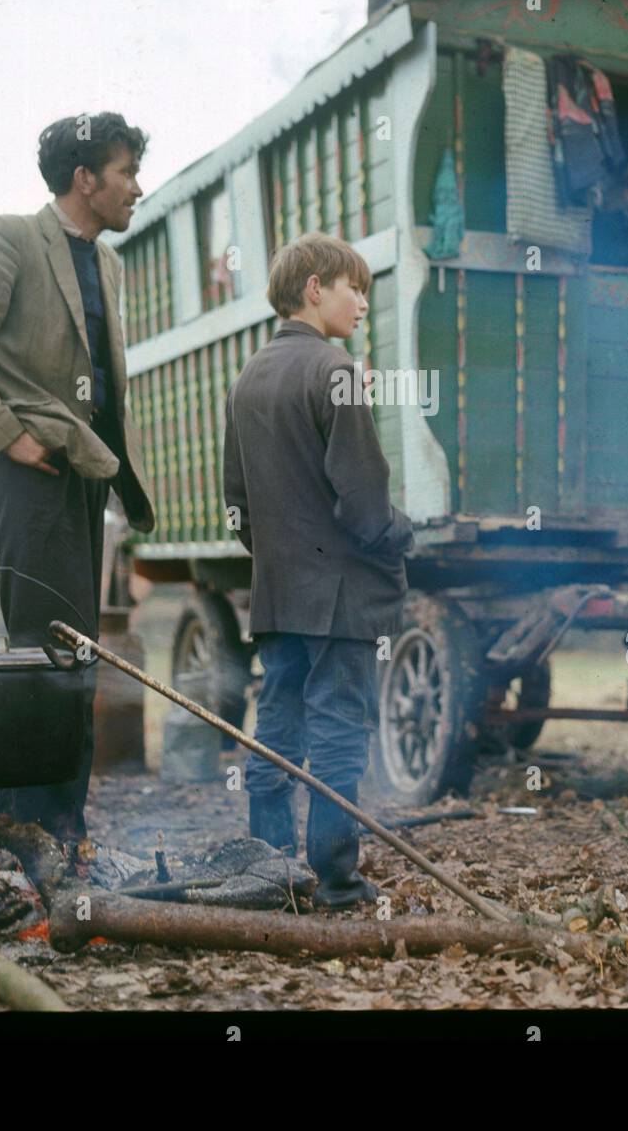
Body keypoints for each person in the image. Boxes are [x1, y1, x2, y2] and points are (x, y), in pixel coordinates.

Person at [0, 113, 155, 841]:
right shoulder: (5, 239)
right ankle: (33, 839)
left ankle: (59, 835)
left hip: (83, 480)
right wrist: (10, 439)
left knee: (71, 659)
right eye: (125, 174)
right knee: (47, 659)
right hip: (29, 480)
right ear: (85, 180)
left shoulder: (108, 262)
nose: (137, 190)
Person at [223, 232, 414, 908]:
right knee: (337, 735)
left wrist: (285, 561)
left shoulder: (248, 377)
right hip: (339, 600)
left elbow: (239, 508)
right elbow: (363, 505)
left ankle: (267, 871)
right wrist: (403, 533)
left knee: (276, 731)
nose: (362, 301)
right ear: (313, 289)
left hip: (278, 597)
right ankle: (336, 881)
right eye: (352, 287)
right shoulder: (334, 369)